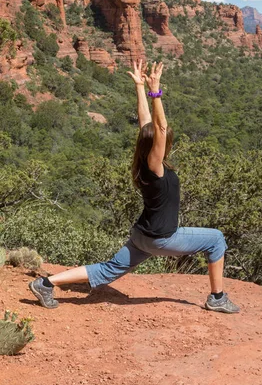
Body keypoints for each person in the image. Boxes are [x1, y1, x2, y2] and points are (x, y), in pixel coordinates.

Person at [29, 60, 240, 314]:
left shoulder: (144, 160)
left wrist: (139, 86)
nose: (165, 137)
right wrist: (155, 91)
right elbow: (159, 127)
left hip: (142, 235)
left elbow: (147, 124)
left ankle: (45, 283)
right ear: (159, 144)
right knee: (216, 239)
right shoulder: (156, 166)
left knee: (108, 270)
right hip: (161, 239)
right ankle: (217, 297)